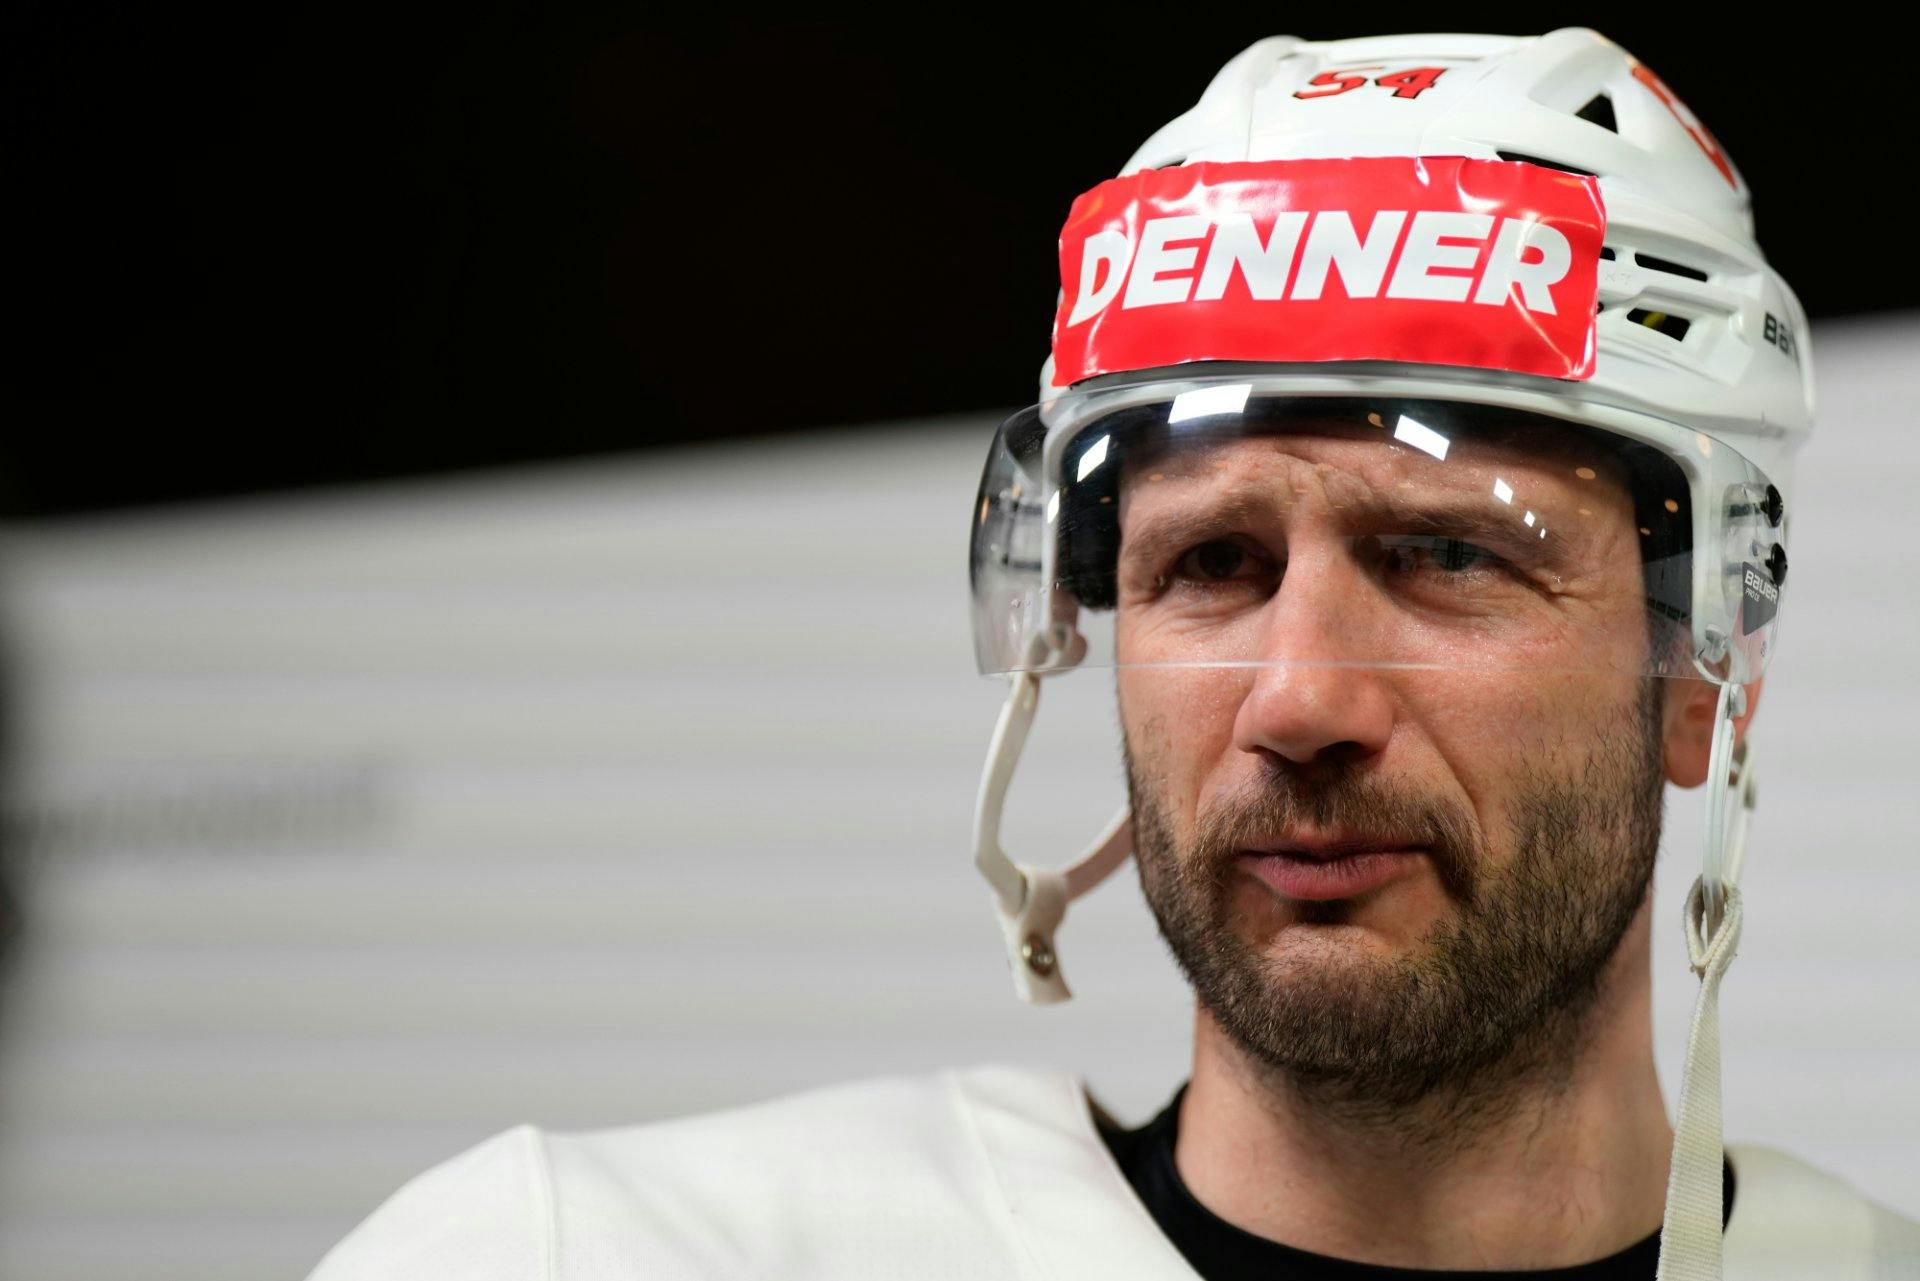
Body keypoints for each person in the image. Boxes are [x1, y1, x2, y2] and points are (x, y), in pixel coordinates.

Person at [308, 28, 1920, 1280]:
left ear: (1708, 667)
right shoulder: (582, 1255)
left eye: (1445, 555)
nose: (1298, 699)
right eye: (1210, 564)